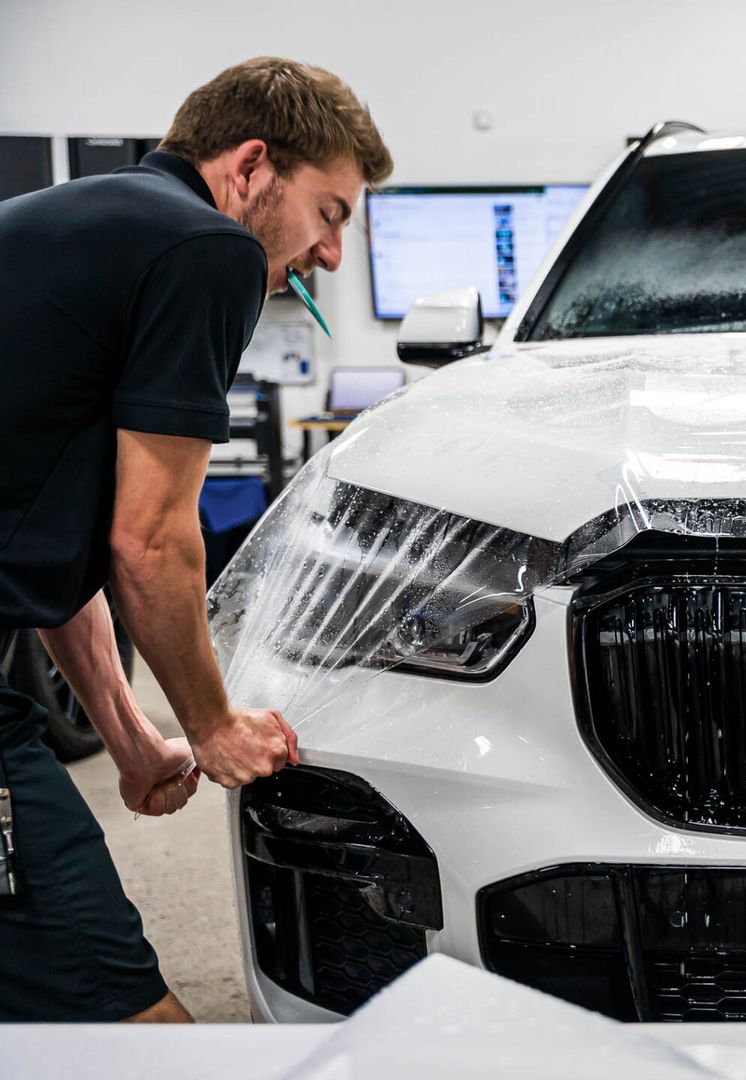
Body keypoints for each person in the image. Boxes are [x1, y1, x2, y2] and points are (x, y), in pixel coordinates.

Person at [0, 57, 392, 1022]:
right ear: (251, 166)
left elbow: (61, 555)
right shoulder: (204, 248)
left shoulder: (82, 223)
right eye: (331, 214)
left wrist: (133, 739)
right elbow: (152, 544)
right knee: (119, 1000)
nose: (333, 256)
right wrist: (214, 726)